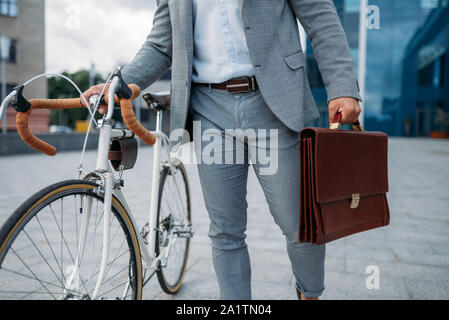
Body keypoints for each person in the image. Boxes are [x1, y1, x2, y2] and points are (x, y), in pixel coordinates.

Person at [83, 0, 362, 300]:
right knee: (225, 231)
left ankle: (309, 294)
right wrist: (118, 83)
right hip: (209, 108)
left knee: (299, 223)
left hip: (275, 103)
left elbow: (319, 15)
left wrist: (342, 86)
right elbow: (162, 44)